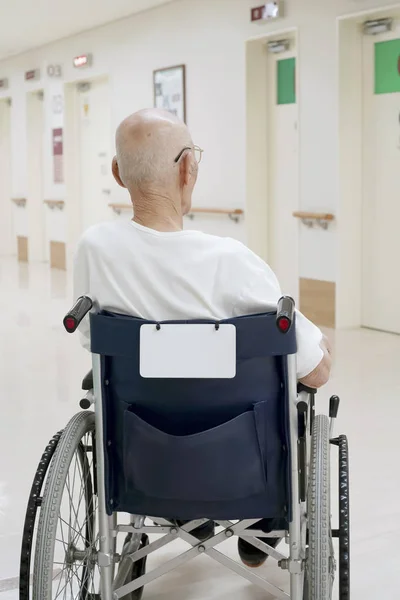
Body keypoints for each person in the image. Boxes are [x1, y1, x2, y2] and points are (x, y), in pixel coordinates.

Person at [74, 108, 332, 567]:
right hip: (243, 470)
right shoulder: (231, 260)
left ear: (117, 172)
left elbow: (90, 341)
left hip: (144, 462)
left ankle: (176, 507)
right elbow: (316, 370)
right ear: (188, 168)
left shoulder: (95, 249)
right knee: (298, 392)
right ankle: (260, 530)